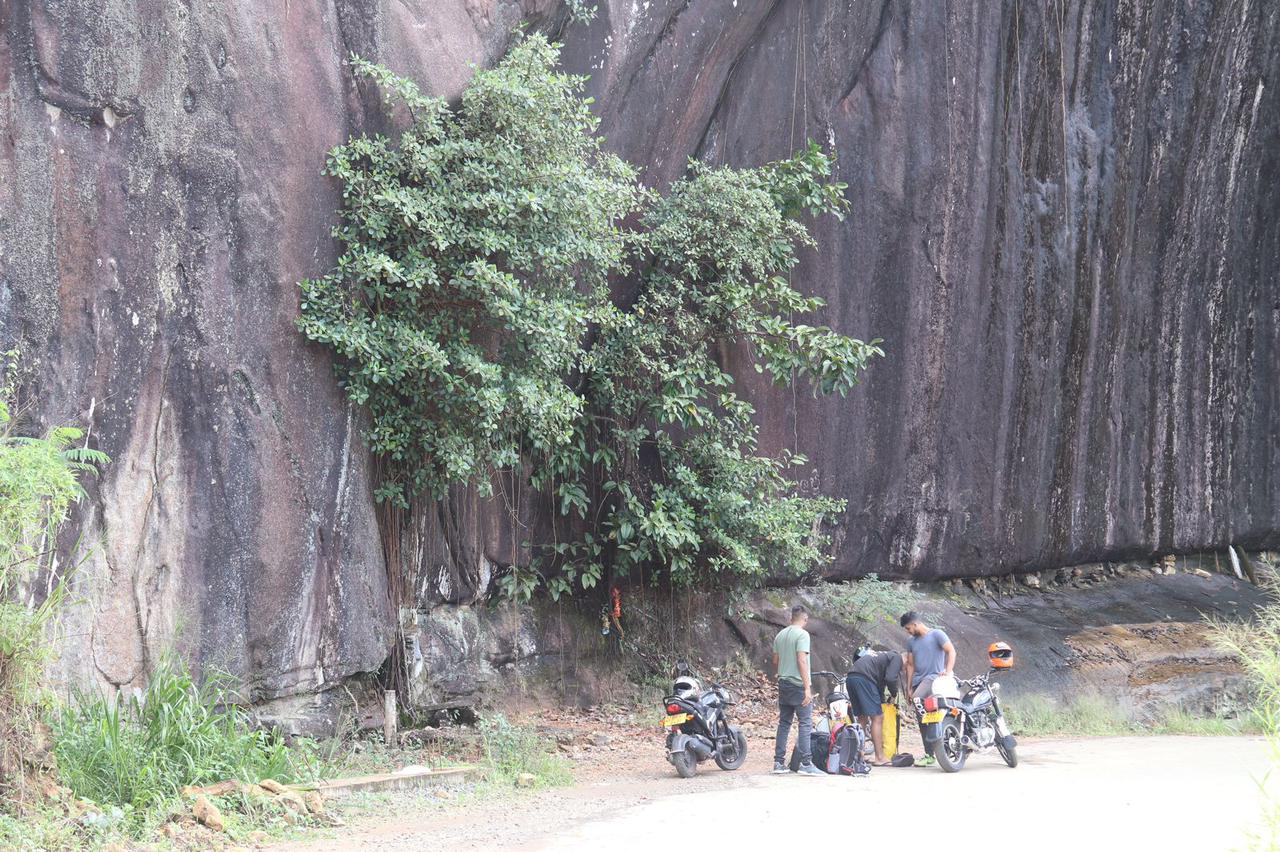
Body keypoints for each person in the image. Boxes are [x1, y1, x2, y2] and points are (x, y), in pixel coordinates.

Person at [772, 605, 824, 775]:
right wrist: (807, 687)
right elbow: (802, 660)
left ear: (790, 618)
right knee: (805, 723)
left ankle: (778, 763)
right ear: (805, 619)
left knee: (784, 723)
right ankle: (806, 763)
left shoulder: (780, 635)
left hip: (783, 683)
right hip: (797, 684)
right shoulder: (802, 635)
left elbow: (775, 660)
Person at [901, 611, 957, 767]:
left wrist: (947, 671)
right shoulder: (911, 642)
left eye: (908, 628)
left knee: (918, 700)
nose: (908, 631)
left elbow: (951, 651)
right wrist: (909, 687)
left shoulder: (937, 634)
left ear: (915, 624)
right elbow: (910, 665)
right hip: (919, 681)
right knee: (922, 719)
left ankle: (944, 743)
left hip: (934, 679)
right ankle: (929, 753)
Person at [845, 647, 904, 766]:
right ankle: (880, 757)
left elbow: (879, 686)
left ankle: (858, 755)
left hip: (851, 678)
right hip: (865, 679)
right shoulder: (897, 657)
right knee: (877, 718)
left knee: (862, 718)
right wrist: (893, 693)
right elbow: (891, 678)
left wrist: (883, 701)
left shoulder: (881, 657)